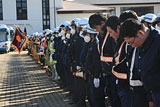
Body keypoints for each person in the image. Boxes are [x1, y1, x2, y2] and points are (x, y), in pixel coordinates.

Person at [120, 18, 160, 107]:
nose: (132, 46)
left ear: (140, 33)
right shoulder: (141, 46)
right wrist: (150, 99)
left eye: (132, 42)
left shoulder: (158, 42)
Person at [89, 13, 120, 107]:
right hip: (106, 73)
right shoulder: (101, 37)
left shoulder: (111, 36)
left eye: (96, 27)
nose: (96, 30)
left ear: (102, 23)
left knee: (115, 101)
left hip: (113, 74)